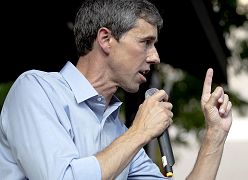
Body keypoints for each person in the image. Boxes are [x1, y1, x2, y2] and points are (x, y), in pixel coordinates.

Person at [0, 0, 233, 179]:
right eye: (145, 42)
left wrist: (214, 135)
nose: (155, 57)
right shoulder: (36, 90)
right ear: (105, 39)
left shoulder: (119, 133)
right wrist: (139, 132)